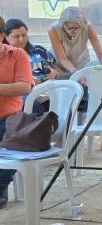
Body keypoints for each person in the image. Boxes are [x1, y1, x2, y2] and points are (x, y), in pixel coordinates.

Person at [0, 16, 34, 208]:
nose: (22, 39)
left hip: (9, 119)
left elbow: (24, 87)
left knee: (17, 137)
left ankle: (1, 183)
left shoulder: (17, 55)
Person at [47, 6, 102, 78]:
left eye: (75, 28)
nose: (72, 31)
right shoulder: (53, 29)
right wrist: (75, 73)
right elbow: (62, 58)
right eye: (69, 28)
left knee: (85, 86)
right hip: (58, 66)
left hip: (80, 63)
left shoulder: (88, 27)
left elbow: (100, 54)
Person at [4, 18, 58, 83]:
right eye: (16, 36)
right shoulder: (4, 57)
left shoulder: (39, 50)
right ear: (6, 37)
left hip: (49, 88)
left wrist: (55, 73)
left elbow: (56, 68)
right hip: (24, 91)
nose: (21, 40)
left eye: (24, 35)